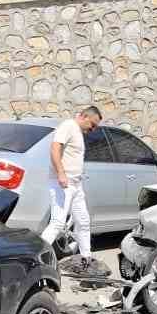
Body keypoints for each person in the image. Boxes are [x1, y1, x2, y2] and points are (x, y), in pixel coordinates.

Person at [40, 106, 106, 277]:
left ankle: (86, 258)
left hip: (76, 184)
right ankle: (36, 258)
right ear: (84, 117)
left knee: (83, 220)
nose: (92, 130)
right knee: (58, 223)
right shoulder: (68, 126)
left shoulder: (78, 132)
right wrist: (61, 174)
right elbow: (55, 148)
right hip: (63, 183)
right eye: (92, 125)